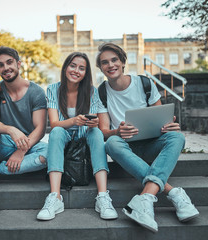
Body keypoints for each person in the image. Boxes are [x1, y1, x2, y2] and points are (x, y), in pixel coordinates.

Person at [96, 43, 199, 233]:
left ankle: (145, 198)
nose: (110, 65)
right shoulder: (100, 92)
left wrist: (169, 126)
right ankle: (173, 192)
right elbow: (103, 132)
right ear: (100, 67)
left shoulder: (144, 83)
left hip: (151, 144)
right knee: (111, 143)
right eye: (104, 62)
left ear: (122, 61)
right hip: (125, 148)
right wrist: (117, 132)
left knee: (177, 137)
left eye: (114, 60)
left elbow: (160, 118)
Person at [0, 46, 48, 223]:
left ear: (19, 64)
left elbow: (40, 129)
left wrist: (20, 152)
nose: (6, 68)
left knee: (50, 153)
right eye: (1, 65)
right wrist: (11, 129)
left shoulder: (36, 92)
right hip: (3, 143)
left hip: (28, 144)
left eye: (9, 62)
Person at [37, 52, 118, 221]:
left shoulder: (91, 91)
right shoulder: (53, 89)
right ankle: (55, 197)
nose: (76, 71)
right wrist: (73, 120)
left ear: (86, 73)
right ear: (65, 67)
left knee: (96, 132)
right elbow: (54, 123)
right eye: (73, 65)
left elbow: (94, 122)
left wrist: (92, 123)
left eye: (81, 68)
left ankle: (103, 196)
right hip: (63, 137)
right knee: (57, 132)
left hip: (85, 137)